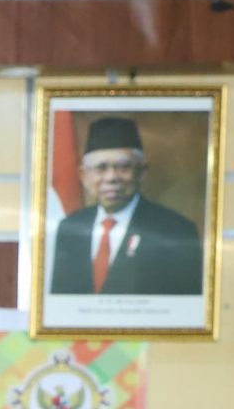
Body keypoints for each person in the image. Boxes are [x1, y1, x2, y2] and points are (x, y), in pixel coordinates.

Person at [48, 115, 205, 297]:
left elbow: (185, 309)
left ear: (142, 172)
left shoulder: (176, 230)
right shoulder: (70, 227)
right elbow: (60, 301)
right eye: (101, 168)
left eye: (123, 167)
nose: (111, 178)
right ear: (84, 175)